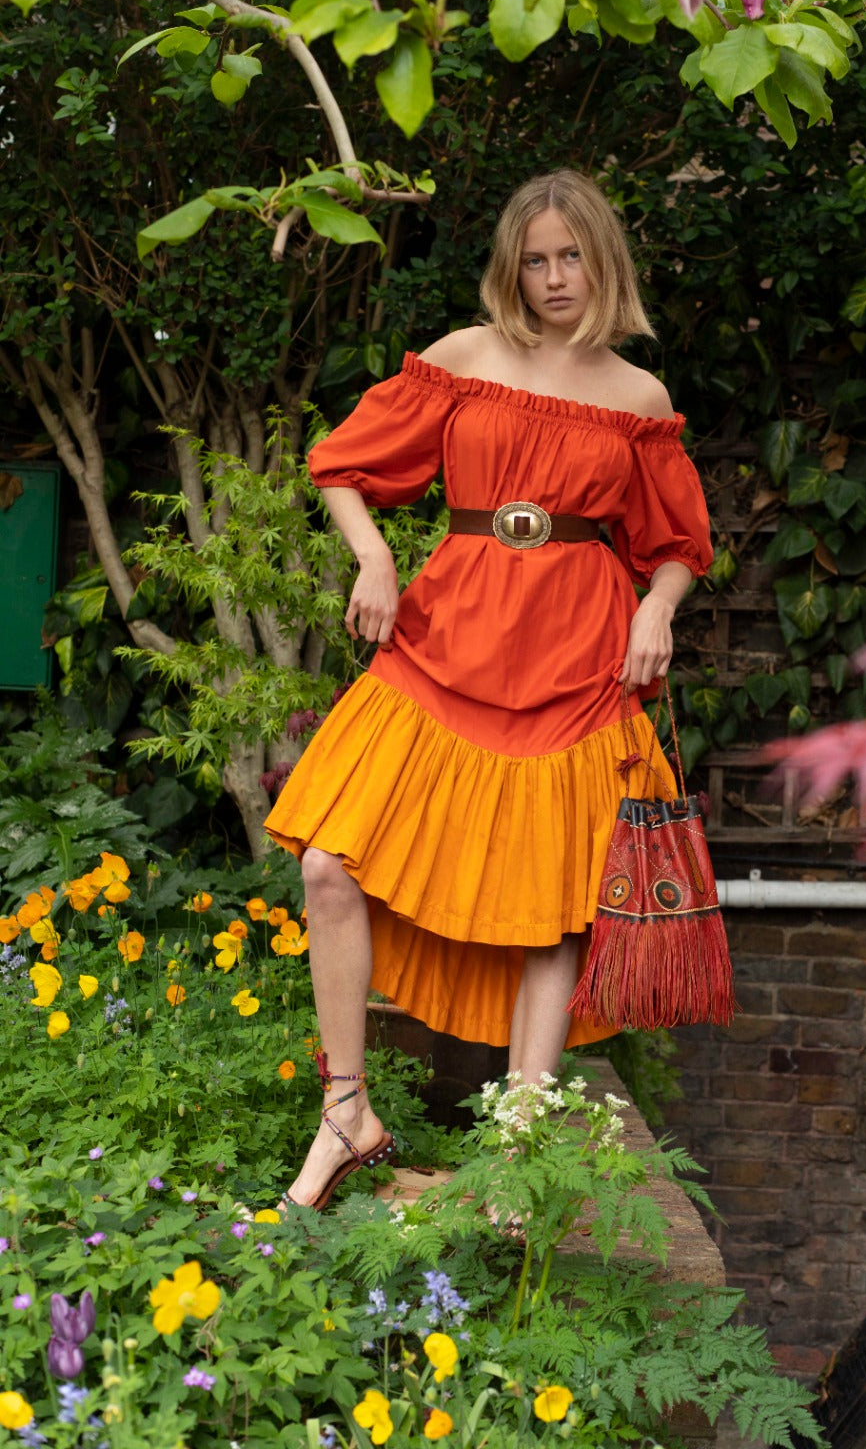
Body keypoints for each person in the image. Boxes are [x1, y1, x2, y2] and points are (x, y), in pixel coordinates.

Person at [264, 169, 713, 1210]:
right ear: (511, 267)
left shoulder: (638, 399)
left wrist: (658, 607)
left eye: (572, 256)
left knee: (553, 911)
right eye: (535, 258)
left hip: (578, 653)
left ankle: (515, 1168)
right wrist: (373, 558)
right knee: (331, 863)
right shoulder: (463, 360)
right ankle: (345, 1113)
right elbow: (341, 465)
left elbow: (679, 543)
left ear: (604, 261)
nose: (555, 277)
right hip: (446, 632)